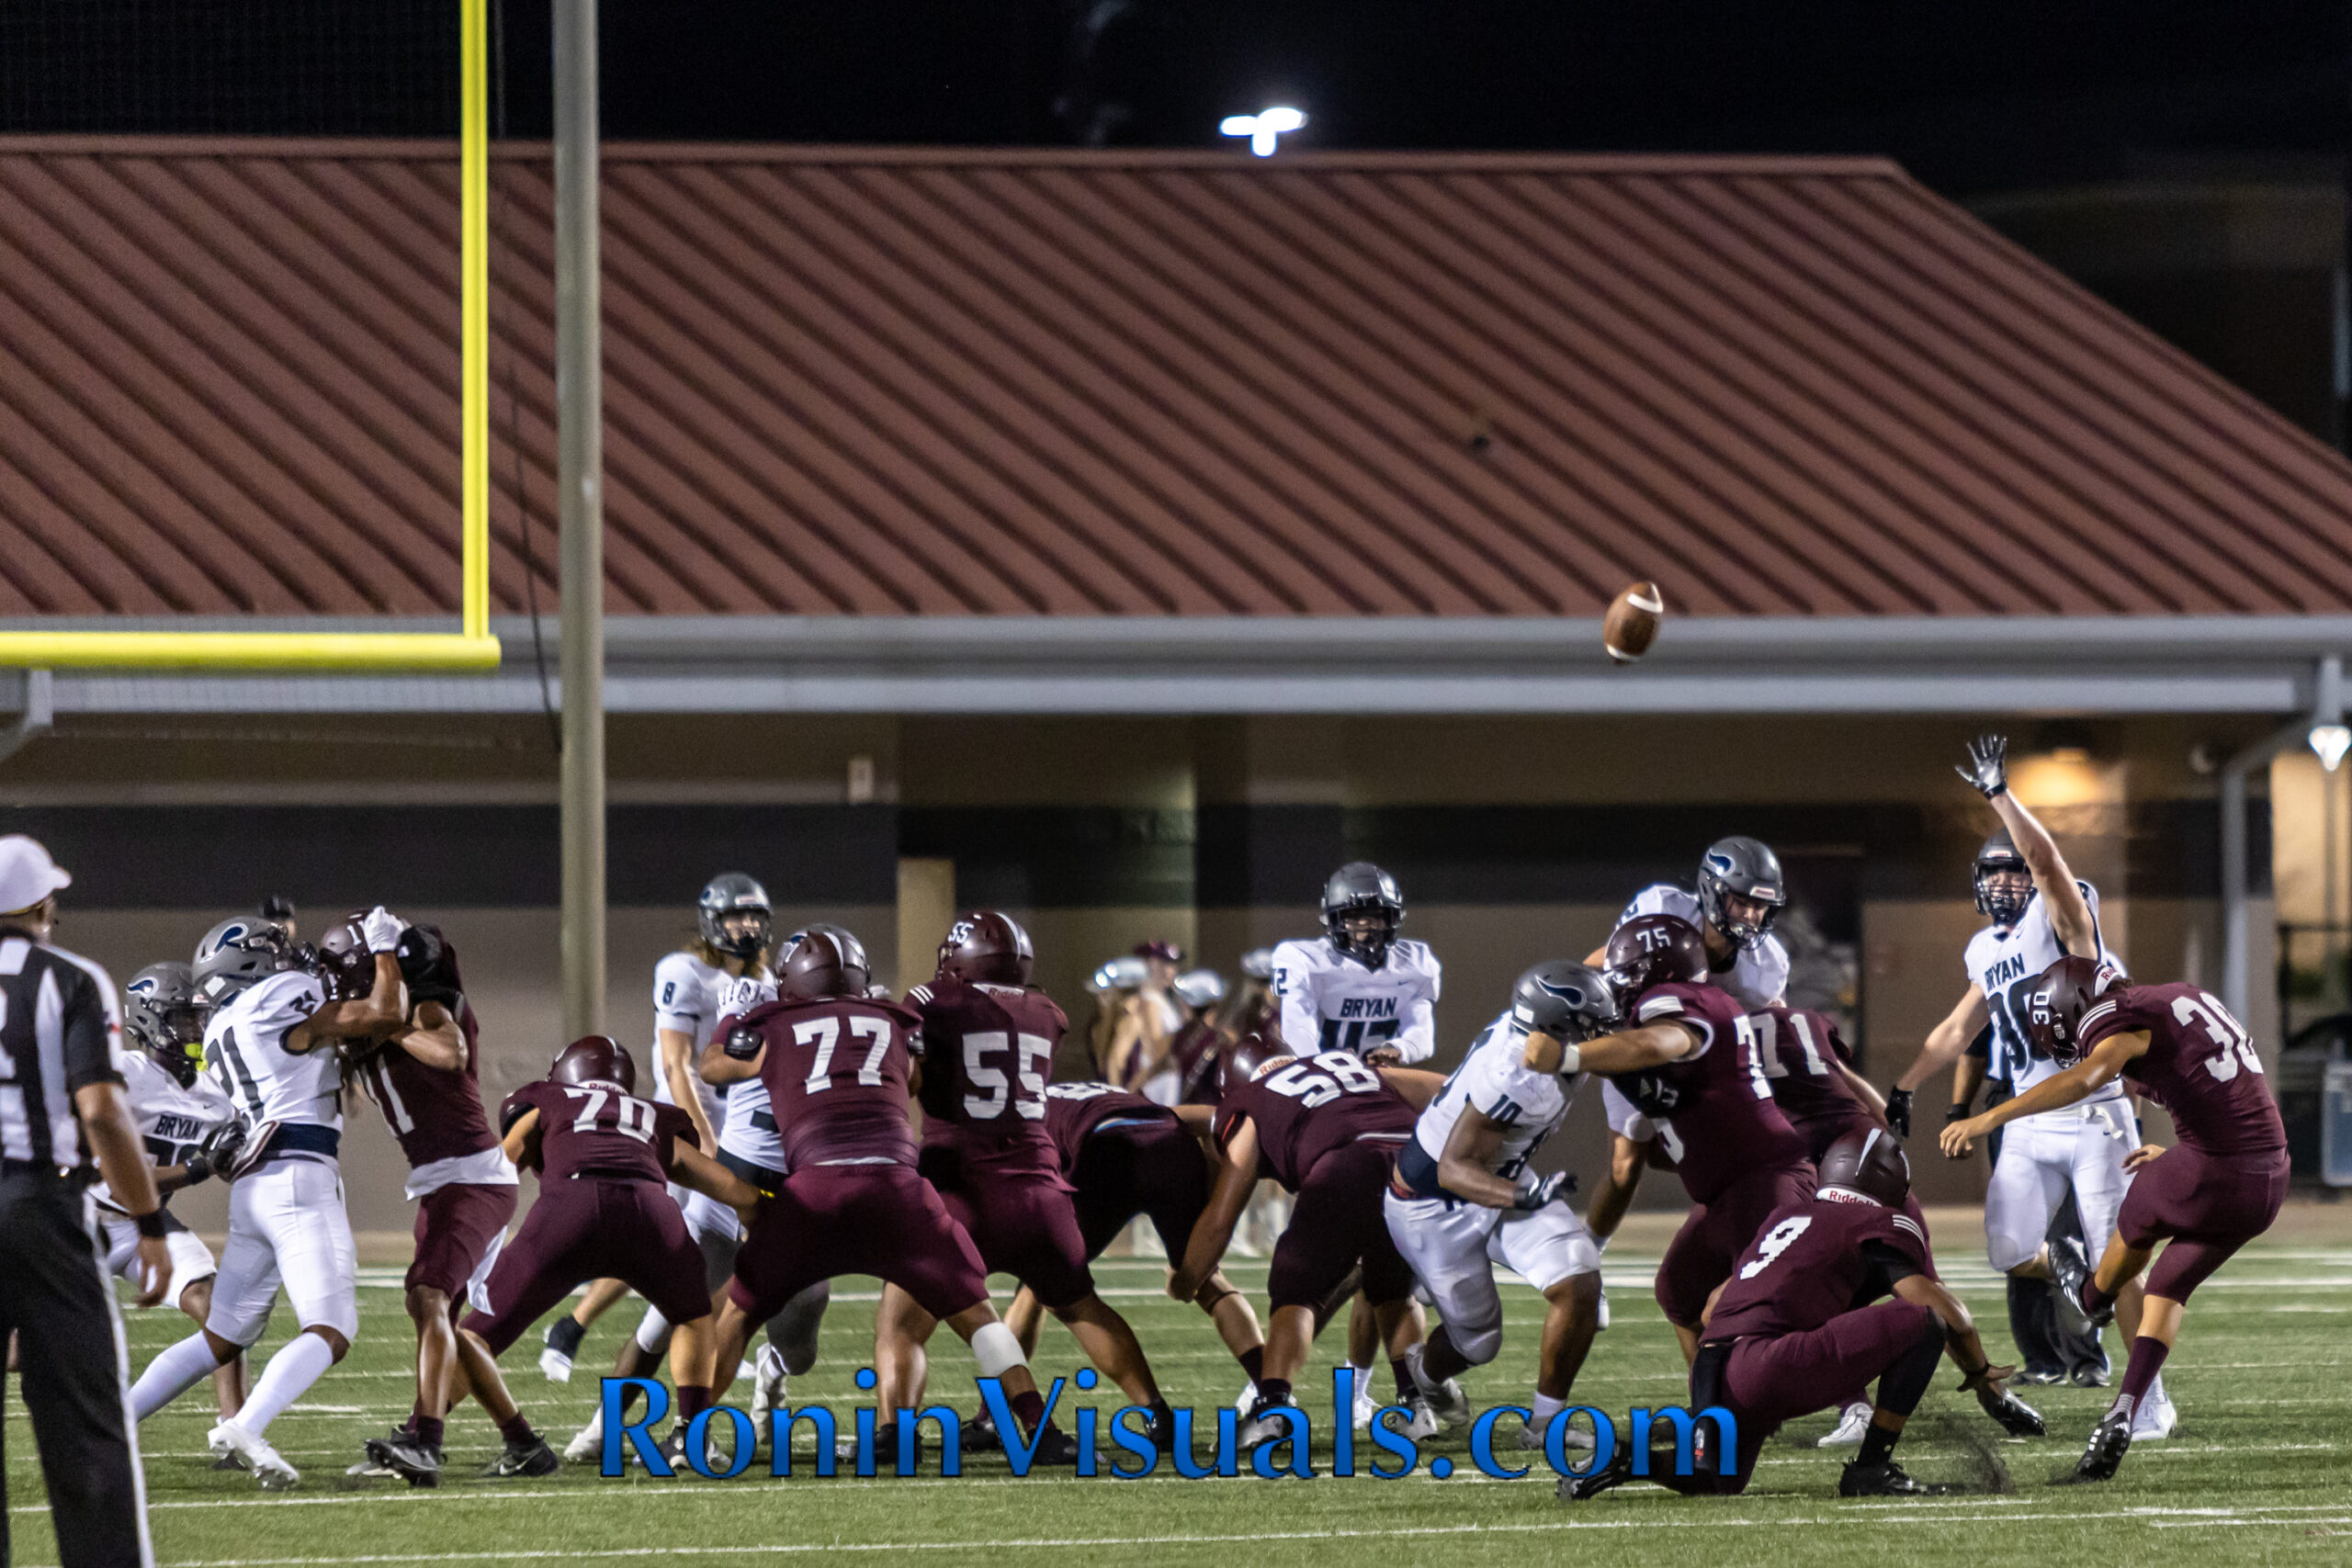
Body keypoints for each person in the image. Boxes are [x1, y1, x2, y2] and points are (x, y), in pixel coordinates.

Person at [697, 926, 1077, 1461]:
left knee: (738, 1314)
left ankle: (689, 1434)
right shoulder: (897, 1019)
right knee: (978, 1315)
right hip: (901, 1189)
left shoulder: (774, 1022)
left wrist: (739, 1024)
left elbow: (715, 1067)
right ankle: (1042, 1430)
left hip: (816, 1190)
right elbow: (914, 1082)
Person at [1890, 735, 2168, 1434]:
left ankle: (2147, 1403)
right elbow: (1957, 1030)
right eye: (1997, 874)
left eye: (2017, 873)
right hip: (2029, 1116)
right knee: (2010, 1250)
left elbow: (2048, 865)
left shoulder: (2066, 918)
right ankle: (2073, 1264)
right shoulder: (1985, 948)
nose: (2009, 883)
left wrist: (1998, 795)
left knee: (2125, 1265)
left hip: (2096, 1113)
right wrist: (1905, 1085)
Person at [1942, 957, 2288, 1481]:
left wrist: (1989, 1116)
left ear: (2077, 1006)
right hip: (2269, 1178)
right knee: (2167, 1286)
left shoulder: (2121, 1020)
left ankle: (2089, 1295)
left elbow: (2088, 1077)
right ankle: (2125, 1411)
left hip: (2219, 1170)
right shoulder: (2176, 997)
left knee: (2138, 1208)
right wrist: (2180, 1156)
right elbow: (2223, 1094)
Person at [1561, 1128, 2041, 1503]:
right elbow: (1943, 1311)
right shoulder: (1875, 1222)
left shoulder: (1788, 1217)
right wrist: (1981, 1376)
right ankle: (1873, 1467)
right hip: (1766, 1365)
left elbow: (1712, 1306)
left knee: (1714, 1479)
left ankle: (1628, 1459)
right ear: (1888, 1181)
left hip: (1711, 1369)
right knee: (1919, 1322)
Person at [130, 908, 410, 1489]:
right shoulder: (279, 995)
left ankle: (115, 1422)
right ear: (254, 965)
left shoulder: (220, 1027)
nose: (292, 958)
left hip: (254, 1187)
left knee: (222, 1335)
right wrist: (383, 949)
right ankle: (246, 1425)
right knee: (331, 1328)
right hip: (299, 1177)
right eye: (275, 951)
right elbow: (383, 1013)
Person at [875, 911, 1170, 1453]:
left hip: (959, 1192)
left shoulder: (929, 1001)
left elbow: (905, 1069)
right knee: (1081, 1305)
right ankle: (1155, 1411)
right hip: (1040, 1193)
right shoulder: (1048, 1012)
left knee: (902, 1320)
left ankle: (895, 1432)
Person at [456, 1035, 762, 1468]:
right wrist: (760, 1217)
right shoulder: (651, 1115)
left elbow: (496, 1171)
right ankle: (692, 1435)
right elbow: (732, 1189)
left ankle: (423, 1431)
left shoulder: (548, 1099)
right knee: (694, 1318)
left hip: (568, 1210)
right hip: (651, 1213)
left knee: (475, 1334)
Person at [0, 835, 169, 1568]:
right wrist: (150, 1219)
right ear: (40, 905)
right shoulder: (69, 977)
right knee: (86, 1426)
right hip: (41, 1204)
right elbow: (101, 1109)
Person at [337, 920, 548, 1484]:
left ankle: (425, 1443)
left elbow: (450, 1053)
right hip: (445, 1182)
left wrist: (388, 1029)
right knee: (442, 1317)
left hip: (471, 1178)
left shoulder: (426, 1009)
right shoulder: (371, 1021)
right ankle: (523, 1444)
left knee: (429, 1297)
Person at [1385, 961, 1620, 1452]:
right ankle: (1424, 1375)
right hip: (1433, 1204)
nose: (1600, 1036)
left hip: (1499, 1174)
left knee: (1579, 1277)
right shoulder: (1518, 1075)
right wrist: (1522, 1197)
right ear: (1554, 1027)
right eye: (1589, 1027)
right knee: (1477, 1343)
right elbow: (1453, 1167)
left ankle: (1543, 1427)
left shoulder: (1536, 1037)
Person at [1576, 915, 1816, 1364]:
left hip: (1763, 1183)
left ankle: (1849, 1401)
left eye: (1629, 972)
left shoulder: (1675, 1002)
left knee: (1744, 1309)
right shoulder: (1697, 1000)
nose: (1621, 984)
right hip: (1731, 1186)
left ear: (1658, 970)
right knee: (1679, 1290)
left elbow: (1657, 1044)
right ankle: (1707, 1408)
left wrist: (1571, 1056)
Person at [1170, 1045, 1437, 1445]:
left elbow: (1223, 1214)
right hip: (1416, 1160)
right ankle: (1416, 1407)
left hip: (1350, 1164)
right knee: (1391, 1285)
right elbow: (1449, 1089)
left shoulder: (1249, 1099)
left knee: (1296, 1284)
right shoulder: (1346, 1066)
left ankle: (1272, 1410)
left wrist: (1188, 1277)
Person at [1268, 863, 1443, 1417]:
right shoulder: (1302, 960)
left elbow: (1421, 1029)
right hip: (1330, 1094)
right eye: (1355, 918)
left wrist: (1401, 1052)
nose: (1366, 928)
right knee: (1360, 1262)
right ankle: (1387, 1390)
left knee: (1380, 1266)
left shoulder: (1414, 964)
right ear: (1332, 920)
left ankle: (1359, 1389)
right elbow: (1295, 1024)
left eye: (1376, 917)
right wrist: (1326, 1066)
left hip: (1385, 1094)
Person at [1005, 1079, 1267, 1408]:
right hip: (1170, 1147)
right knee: (1209, 1283)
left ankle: (991, 1417)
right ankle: (1272, 1390)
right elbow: (1211, 1120)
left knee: (1043, 1281)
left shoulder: (1022, 1115)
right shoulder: (1105, 1096)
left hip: (1106, 1152)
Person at [108, 962, 247, 1428]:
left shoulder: (215, 1092)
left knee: (220, 1309)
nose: (196, 1028)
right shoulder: (122, 1074)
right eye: (184, 1018)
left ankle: (235, 1429)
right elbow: (114, 1175)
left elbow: (225, 1165)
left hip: (149, 1220)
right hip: (88, 1217)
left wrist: (235, 1157)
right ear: (150, 1019)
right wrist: (195, 1169)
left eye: (198, 1017)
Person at [1592, 835, 1792, 1009]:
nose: (1749, 914)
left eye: (1758, 906)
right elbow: (1607, 962)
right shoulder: (1665, 909)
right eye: (1741, 902)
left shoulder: (1771, 962)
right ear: (1713, 892)